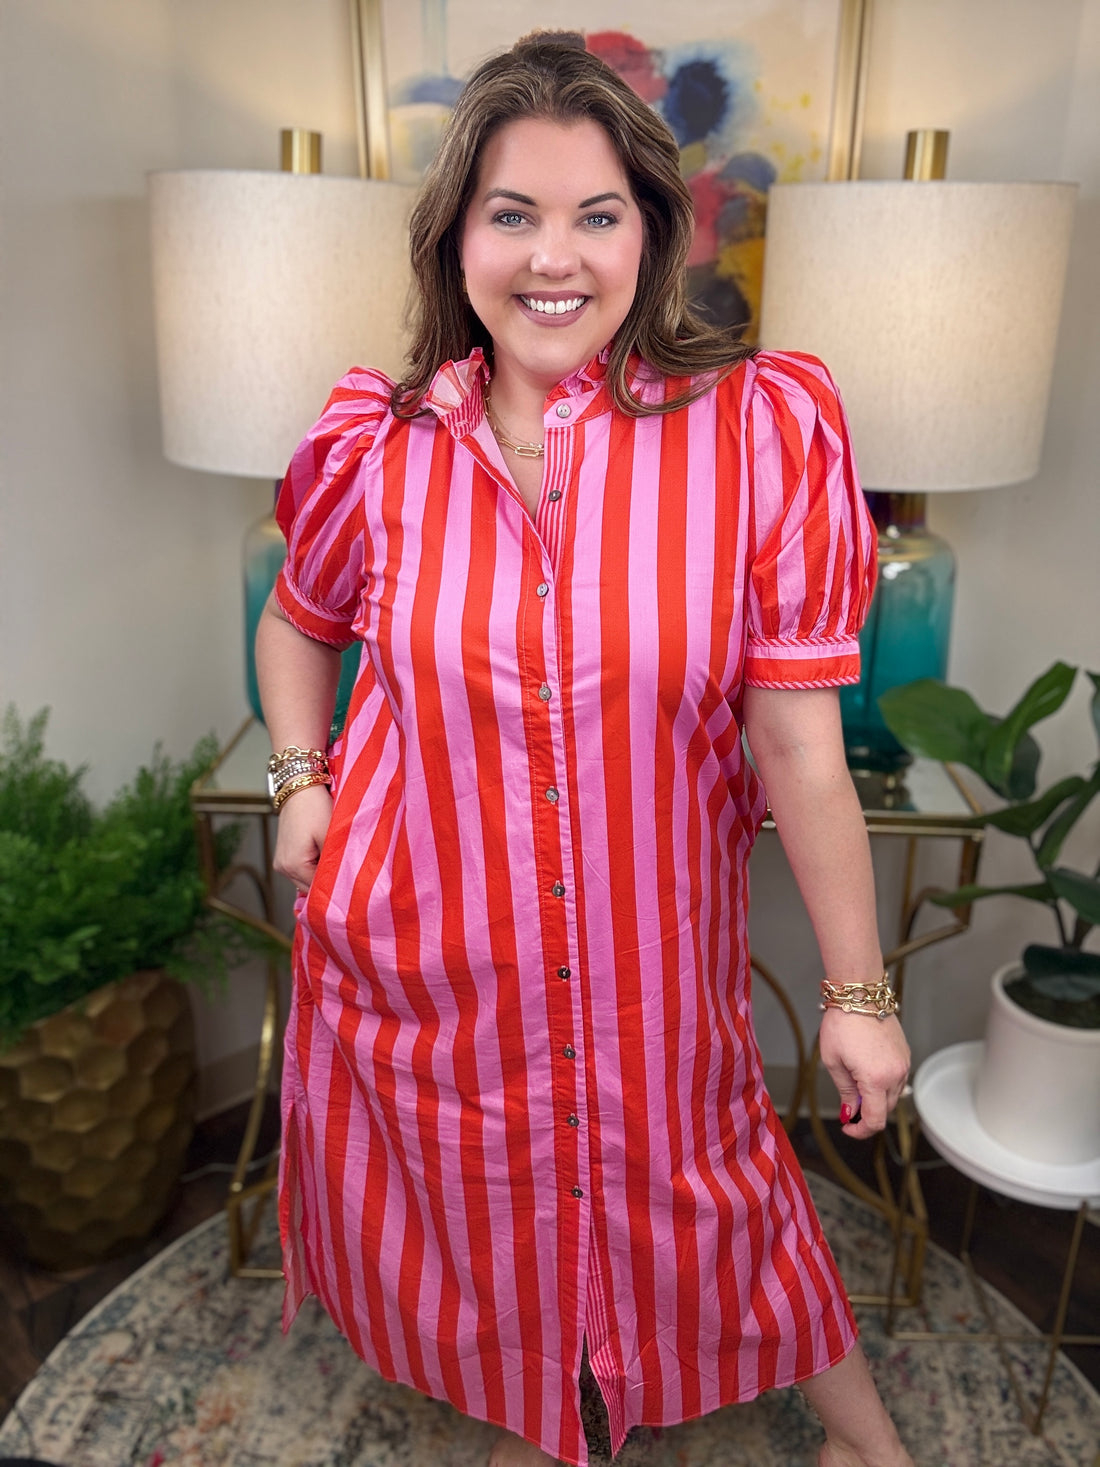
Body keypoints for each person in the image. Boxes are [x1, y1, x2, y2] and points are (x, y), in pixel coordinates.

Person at [256, 31, 913, 1467]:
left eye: (596, 214)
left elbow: (800, 747)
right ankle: (557, 1415)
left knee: (719, 1196)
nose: (555, 257)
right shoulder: (379, 453)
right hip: (432, 959)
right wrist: (302, 784)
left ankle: (865, 1441)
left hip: (651, 970)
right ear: (461, 240)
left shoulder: (753, 440)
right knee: (490, 1210)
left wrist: (861, 993)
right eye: (515, 213)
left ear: (651, 235)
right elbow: (299, 623)